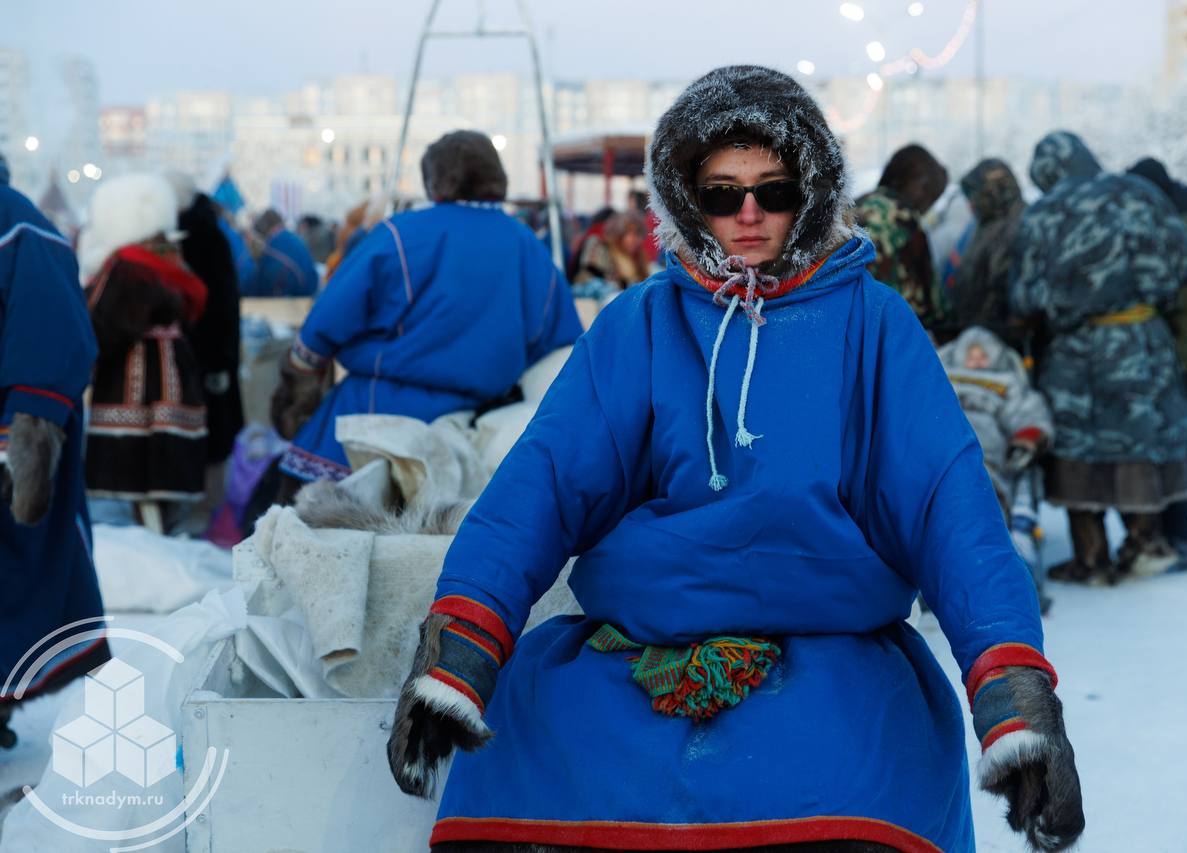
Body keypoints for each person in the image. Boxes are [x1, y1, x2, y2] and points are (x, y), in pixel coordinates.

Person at [386, 66, 1082, 853]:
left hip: (832, 643)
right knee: (521, 758)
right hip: (641, 648)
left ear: (810, 195)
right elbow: (543, 484)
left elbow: (948, 510)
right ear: (688, 200)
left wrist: (1014, 689)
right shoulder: (640, 324)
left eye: (773, 190)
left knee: (869, 770)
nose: (748, 213)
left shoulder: (875, 325)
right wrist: (461, 642)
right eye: (721, 194)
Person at [273, 130, 582, 485]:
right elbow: (560, 351)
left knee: (322, 517)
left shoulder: (400, 234)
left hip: (368, 427)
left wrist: (297, 388)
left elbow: (324, 324)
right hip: (475, 438)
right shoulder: (529, 248)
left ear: (435, 180)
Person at [1011, 132, 1187, 584]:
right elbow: (1183, 259)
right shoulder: (1140, 193)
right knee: (1140, 439)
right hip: (1142, 339)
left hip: (1075, 351)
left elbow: (1025, 294)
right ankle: (1145, 545)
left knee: (1078, 447)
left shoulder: (1044, 212)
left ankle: (1090, 557)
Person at [1, 155, 111, 748]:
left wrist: (20, 444)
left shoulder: (20, 227)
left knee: (17, 583)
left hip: (8, 442)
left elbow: (54, 338)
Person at [78, 174, 209, 524]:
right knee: (163, 476)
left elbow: (102, 323)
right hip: (175, 371)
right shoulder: (170, 258)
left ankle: (147, 535)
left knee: (135, 474)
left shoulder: (126, 266)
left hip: (134, 378)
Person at [1127, 158, 1187, 570]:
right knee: (1173, 446)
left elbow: (1173, 291)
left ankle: (1181, 539)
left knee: (1176, 449)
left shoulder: (1177, 228)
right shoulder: (1182, 221)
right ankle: (1171, 535)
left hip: (1185, 355)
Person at [168, 173, 245, 477]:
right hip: (209, 353)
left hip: (202, 353)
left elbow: (220, 305)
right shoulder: (209, 234)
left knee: (204, 436)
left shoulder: (196, 238)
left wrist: (219, 362)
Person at [938, 326, 1053, 516]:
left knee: (982, 488)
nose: (977, 362)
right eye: (971, 357)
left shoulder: (1008, 383)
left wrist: (1028, 437)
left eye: (983, 356)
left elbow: (1027, 412)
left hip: (987, 456)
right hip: (942, 451)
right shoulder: (941, 377)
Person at [855, 143, 949, 331]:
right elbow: (933, 304)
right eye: (931, 197)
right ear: (920, 186)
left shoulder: (857, 205)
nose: (927, 208)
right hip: (890, 330)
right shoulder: (904, 218)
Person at [950, 159, 1027, 349]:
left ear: (992, 192)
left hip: (999, 341)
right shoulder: (988, 224)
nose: (971, 204)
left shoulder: (1016, 226)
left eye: (976, 196)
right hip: (978, 338)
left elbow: (1003, 288)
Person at [245, 209, 319, 297]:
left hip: (292, 299)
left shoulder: (273, 251)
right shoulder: (295, 239)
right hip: (310, 294)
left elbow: (260, 286)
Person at [571, 210, 648, 290]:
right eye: (629, 233)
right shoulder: (599, 246)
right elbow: (590, 281)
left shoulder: (637, 257)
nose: (635, 239)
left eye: (638, 234)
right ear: (618, 232)